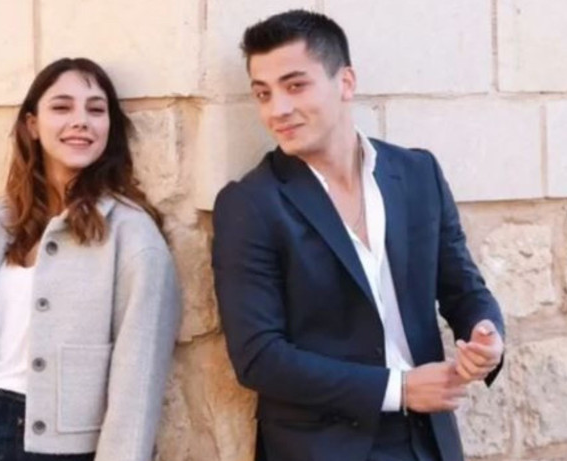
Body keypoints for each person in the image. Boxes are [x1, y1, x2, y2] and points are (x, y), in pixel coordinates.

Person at [211, 10, 505, 461]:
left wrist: (486, 335)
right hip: (319, 447)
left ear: (345, 82)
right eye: (263, 94)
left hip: (428, 440)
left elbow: (463, 288)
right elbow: (259, 357)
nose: (277, 110)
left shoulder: (418, 173)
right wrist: (399, 388)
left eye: (295, 86)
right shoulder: (250, 203)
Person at [0, 57, 181, 461]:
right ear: (32, 124)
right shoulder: (0, 227)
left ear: (110, 128)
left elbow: (138, 383)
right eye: (62, 107)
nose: (80, 121)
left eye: (96, 110)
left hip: (64, 451)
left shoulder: (132, 236)